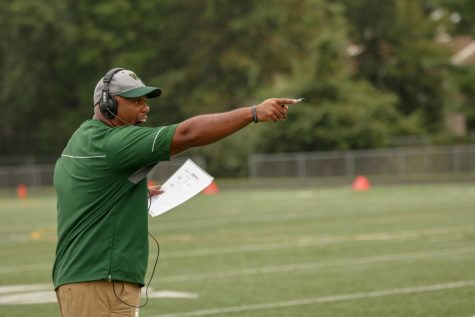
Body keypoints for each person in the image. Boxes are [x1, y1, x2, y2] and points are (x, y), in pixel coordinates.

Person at [52, 67, 299, 317]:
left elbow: (85, 190)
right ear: (107, 104)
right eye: (135, 101)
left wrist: (129, 193)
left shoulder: (83, 138)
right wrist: (254, 113)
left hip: (90, 278)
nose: (145, 108)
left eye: (145, 101)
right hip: (97, 281)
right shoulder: (112, 142)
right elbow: (188, 134)